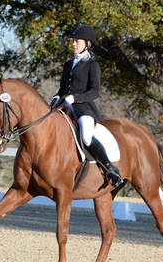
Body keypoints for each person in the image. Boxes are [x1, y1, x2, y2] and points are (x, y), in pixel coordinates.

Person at [50, 24, 124, 187]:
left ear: (87, 44)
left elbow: (94, 92)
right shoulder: (68, 64)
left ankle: (110, 168)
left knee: (86, 137)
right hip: (64, 106)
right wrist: (56, 97)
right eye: (73, 41)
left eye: (77, 41)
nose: (74, 44)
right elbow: (63, 89)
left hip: (84, 108)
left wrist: (75, 98)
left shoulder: (92, 65)